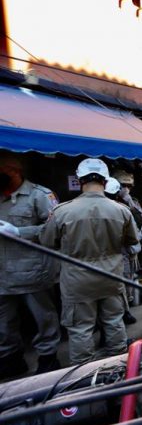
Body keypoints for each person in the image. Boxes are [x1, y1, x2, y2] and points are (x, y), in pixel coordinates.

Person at [41, 158, 139, 365]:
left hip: (77, 281)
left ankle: (85, 379)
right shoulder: (121, 210)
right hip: (111, 277)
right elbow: (132, 240)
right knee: (114, 323)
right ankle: (118, 371)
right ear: (105, 181)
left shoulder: (62, 211)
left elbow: (47, 241)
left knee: (80, 329)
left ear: (80, 180)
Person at [0, 154, 61, 376]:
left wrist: (19, 232)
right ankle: (10, 357)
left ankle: (47, 356)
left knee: (43, 317)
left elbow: (54, 229)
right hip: (3, 274)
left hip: (33, 271)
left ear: (14, 170)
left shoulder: (40, 195)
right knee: (4, 322)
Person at [105, 178, 140, 326]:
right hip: (119, 255)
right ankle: (123, 314)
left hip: (98, 261)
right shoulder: (122, 209)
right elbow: (134, 236)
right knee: (122, 286)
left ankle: (122, 313)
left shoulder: (75, 208)